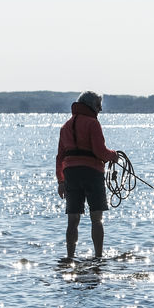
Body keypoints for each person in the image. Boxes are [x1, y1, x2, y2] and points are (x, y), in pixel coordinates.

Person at [56, 91, 119, 259]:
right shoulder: (93, 124)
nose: (100, 110)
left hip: (70, 174)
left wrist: (61, 181)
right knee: (96, 219)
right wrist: (113, 155)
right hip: (92, 172)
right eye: (99, 106)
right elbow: (100, 151)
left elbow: (60, 157)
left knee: (73, 220)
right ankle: (98, 257)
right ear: (92, 106)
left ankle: (70, 257)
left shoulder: (66, 126)